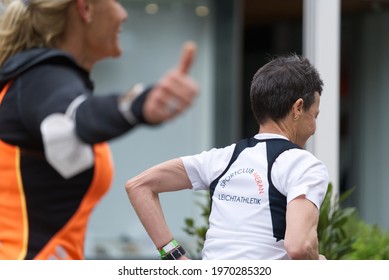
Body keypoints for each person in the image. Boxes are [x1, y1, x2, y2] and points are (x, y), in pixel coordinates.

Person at [0, 0, 198, 260]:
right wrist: (137, 105)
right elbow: (75, 117)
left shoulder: (32, 80)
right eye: (116, 2)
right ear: (86, 9)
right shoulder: (40, 79)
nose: (124, 14)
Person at [126, 54, 329, 260]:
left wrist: (173, 256)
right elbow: (299, 246)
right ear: (298, 108)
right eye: (315, 115)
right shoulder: (304, 166)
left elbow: (139, 186)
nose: (314, 128)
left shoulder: (222, 158)